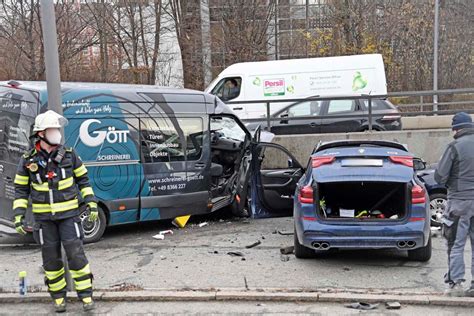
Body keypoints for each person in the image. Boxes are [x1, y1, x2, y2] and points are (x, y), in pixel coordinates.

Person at [13, 110, 98, 312]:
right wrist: (18, 216)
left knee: (76, 255)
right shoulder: (28, 160)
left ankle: (86, 296)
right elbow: (20, 190)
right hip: (44, 220)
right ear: (41, 134)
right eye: (53, 129)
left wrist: (91, 202)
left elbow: (83, 180)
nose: (57, 133)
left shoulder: (69, 155)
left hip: (69, 217)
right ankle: (58, 298)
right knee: (51, 260)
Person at [435, 112, 474, 297]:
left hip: (459, 202)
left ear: (456, 129)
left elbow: (440, 176)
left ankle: (455, 283)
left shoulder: (454, 147)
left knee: (456, 244)